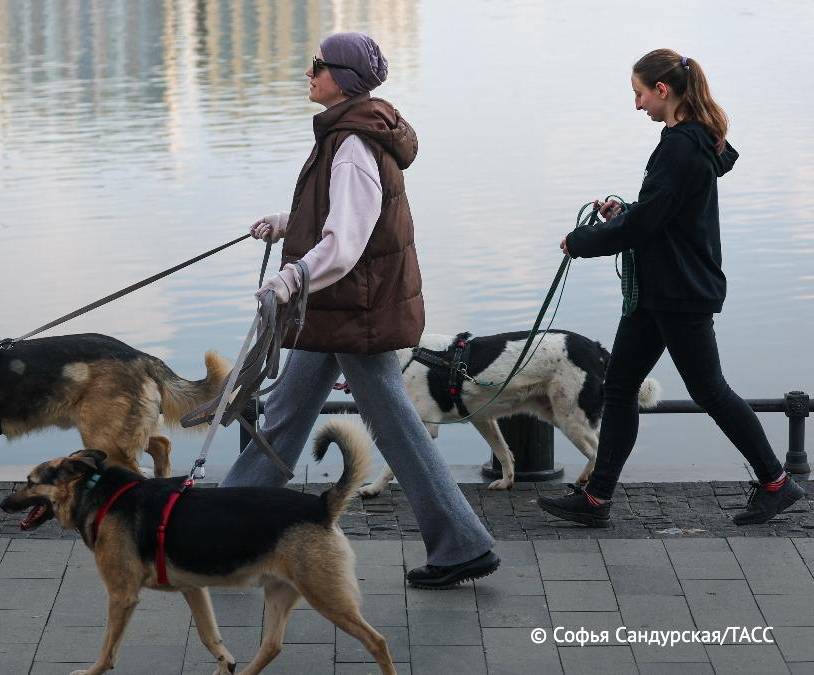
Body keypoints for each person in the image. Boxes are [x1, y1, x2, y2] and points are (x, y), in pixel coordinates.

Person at [221, 31, 499, 589]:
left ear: (344, 79)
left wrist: (290, 278)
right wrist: (288, 225)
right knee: (287, 414)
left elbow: (346, 243)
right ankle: (227, 525)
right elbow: (341, 219)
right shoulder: (349, 133)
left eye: (318, 65)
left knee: (395, 427)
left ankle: (464, 544)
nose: (309, 72)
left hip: (354, 312)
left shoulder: (351, 145)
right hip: (340, 308)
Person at [538, 49, 806, 527]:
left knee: (709, 390)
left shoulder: (681, 146)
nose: (637, 104)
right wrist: (624, 214)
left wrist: (582, 241)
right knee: (620, 387)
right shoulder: (690, 140)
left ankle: (776, 482)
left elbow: (648, 224)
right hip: (661, 289)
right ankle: (597, 499)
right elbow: (658, 215)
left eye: (639, 93)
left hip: (678, 291)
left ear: (663, 90)